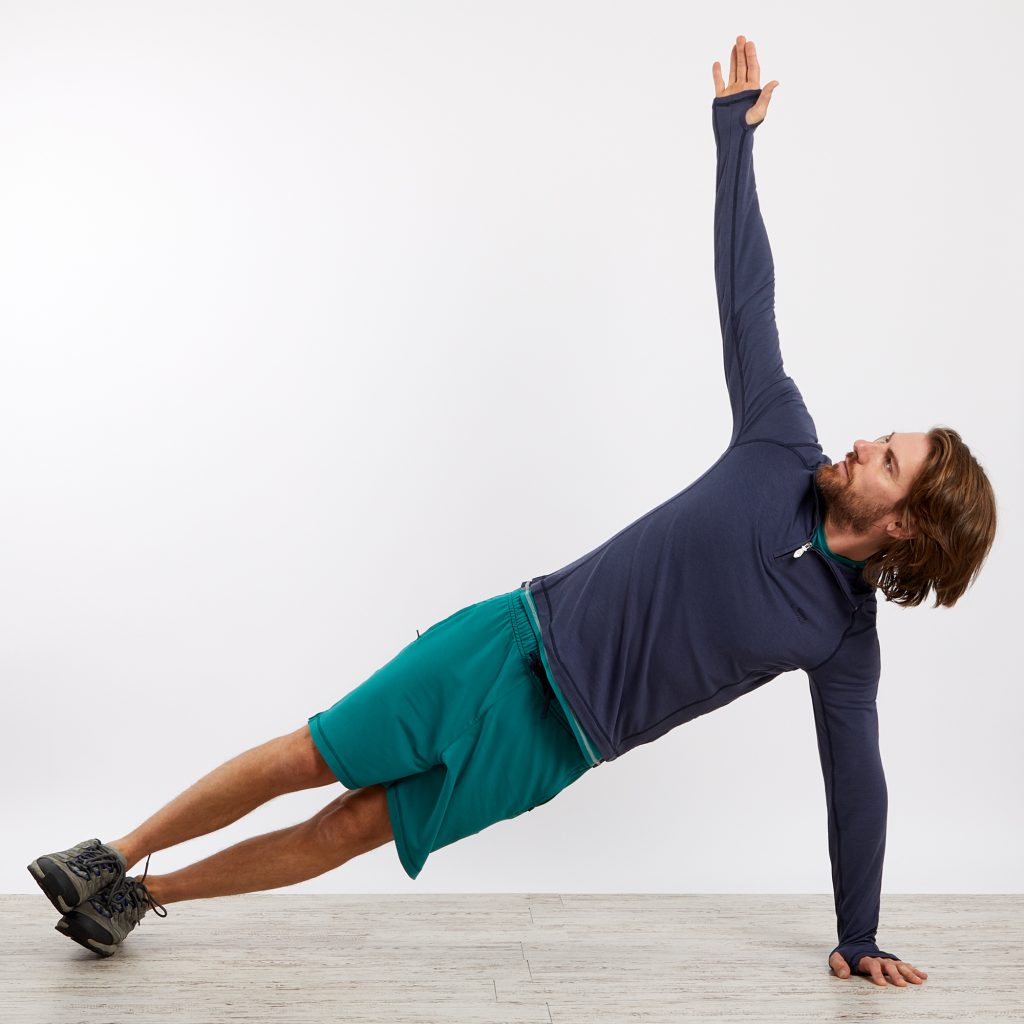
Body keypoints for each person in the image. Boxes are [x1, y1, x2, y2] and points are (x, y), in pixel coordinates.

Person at [29, 36, 993, 987]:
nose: (865, 443)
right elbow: (747, 298)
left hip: (554, 743)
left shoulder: (840, 638)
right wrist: (733, 140)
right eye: (884, 437)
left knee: (353, 827)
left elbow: (855, 782)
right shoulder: (780, 441)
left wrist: (859, 931)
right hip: (514, 635)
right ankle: (110, 853)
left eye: (888, 458)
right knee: (314, 754)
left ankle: (141, 896)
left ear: (905, 524)